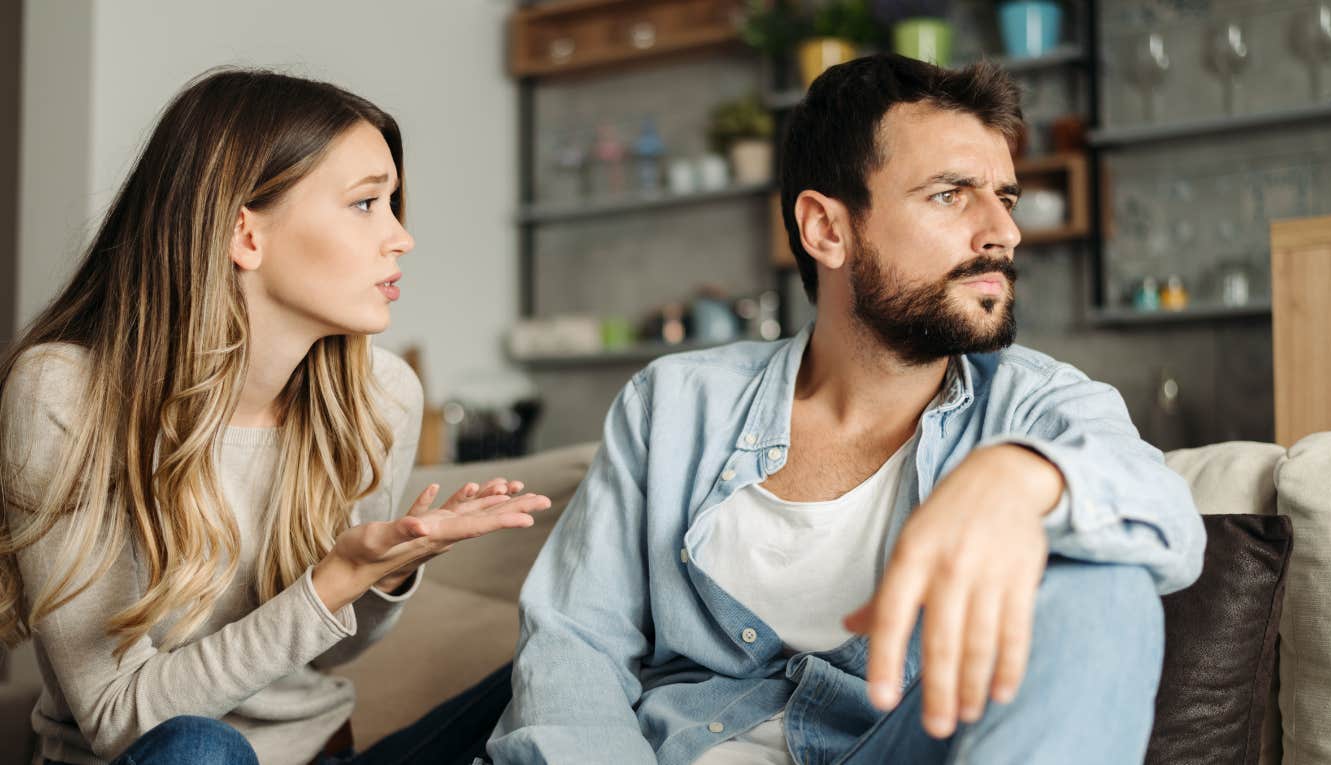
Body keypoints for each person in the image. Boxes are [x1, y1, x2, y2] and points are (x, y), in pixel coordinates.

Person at [487, 54, 1206, 764]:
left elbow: (1171, 521)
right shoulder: (672, 406)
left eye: (1006, 197)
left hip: (905, 745)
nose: (1003, 232)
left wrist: (1029, 476)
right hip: (691, 749)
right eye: (951, 194)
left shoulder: (1038, 403)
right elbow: (573, 641)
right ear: (826, 229)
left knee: (1107, 586)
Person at [0, 68, 550, 765]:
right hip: (166, 757)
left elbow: (330, 652)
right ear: (245, 236)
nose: (401, 236)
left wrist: (379, 576)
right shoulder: (65, 393)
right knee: (199, 747)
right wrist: (332, 581)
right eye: (366, 204)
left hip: (325, 752)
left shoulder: (381, 394)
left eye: (393, 202)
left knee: (560, 673)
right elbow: (116, 715)